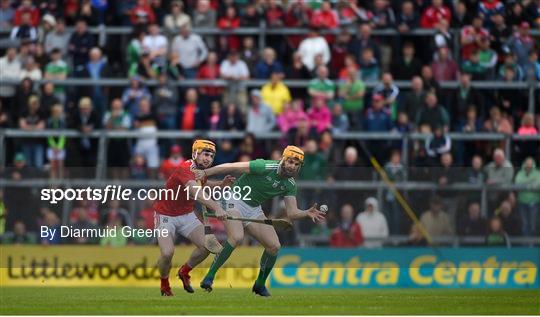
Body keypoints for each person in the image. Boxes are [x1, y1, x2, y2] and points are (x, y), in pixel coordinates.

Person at [193, 146, 325, 296]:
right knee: (236, 237)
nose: (292, 166)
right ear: (283, 159)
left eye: (296, 165)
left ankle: (260, 285)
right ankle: (210, 276)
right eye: (290, 162)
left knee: (274, 246)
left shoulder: (290, 184)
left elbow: (292, 212)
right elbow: (231, 166)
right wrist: (204, 173)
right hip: (233, 198)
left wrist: (306, 213)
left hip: (254, 208)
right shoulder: (264, 166)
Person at [153, 140, 233, 296]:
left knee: (207, 247)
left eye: (211, 156)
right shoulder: (186, 168)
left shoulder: (201, 171)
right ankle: (164, 283)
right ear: (195, 153)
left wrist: (221, 184)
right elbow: (195, 191)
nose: (208, 159)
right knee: (167, 253)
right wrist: (216, 207)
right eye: (205, 154)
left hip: (186, 215)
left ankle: (184, 271)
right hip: (165, 215)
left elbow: (204, 184)